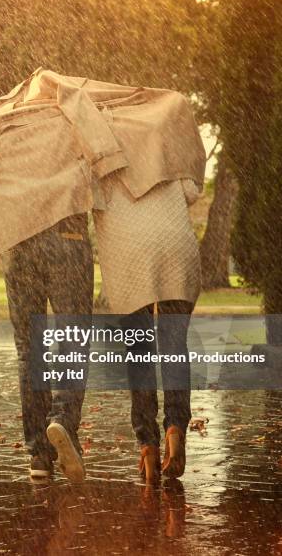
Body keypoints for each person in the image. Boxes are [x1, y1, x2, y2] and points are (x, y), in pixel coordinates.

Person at [93, 172, 201, 483]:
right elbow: (191, 191)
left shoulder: (106, 163)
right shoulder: (162, 152)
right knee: (173, 345)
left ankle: (147, 444)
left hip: (130, 256)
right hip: (175, 251)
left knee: (139, 350)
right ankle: (175, 426)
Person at [0, 213, 93, 482]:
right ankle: (62, 418)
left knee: (30, 348)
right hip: (68, 236)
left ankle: (39, 453)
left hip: (18, 240)